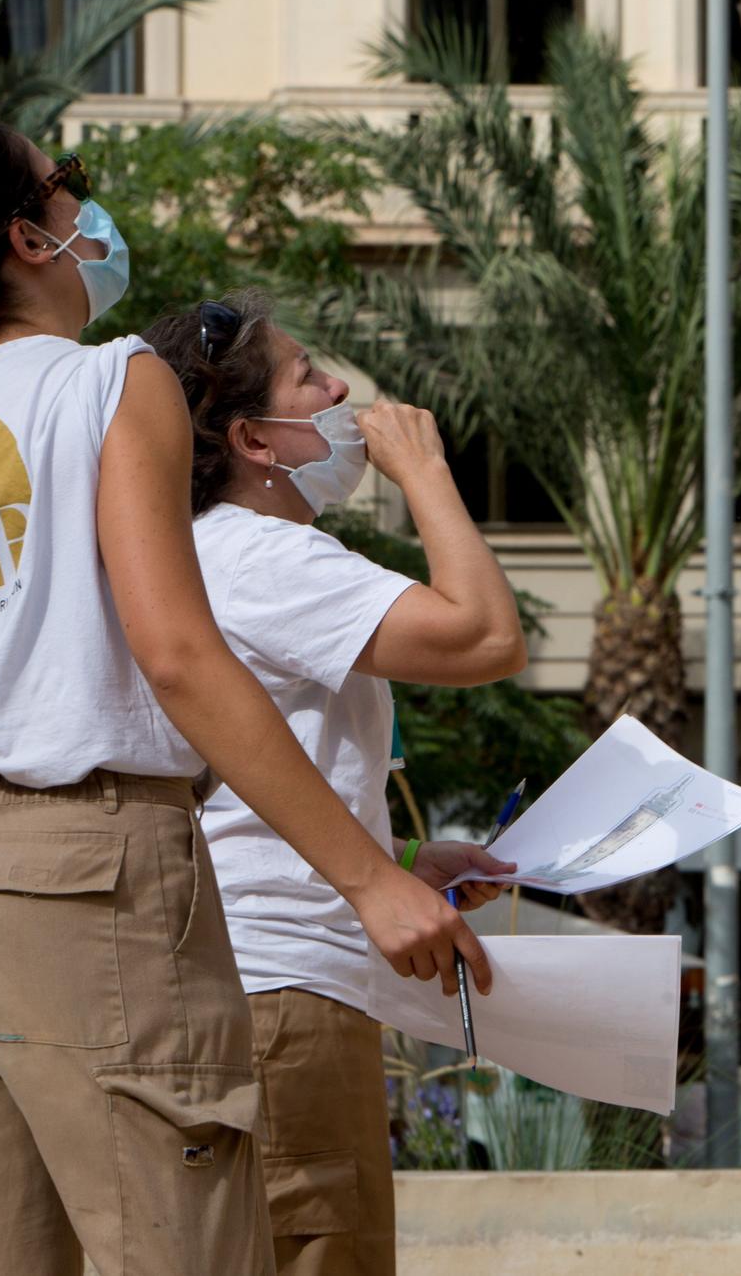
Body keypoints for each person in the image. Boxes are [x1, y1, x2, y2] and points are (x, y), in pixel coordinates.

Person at [0, 120, 489, 1276]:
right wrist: (370, 879)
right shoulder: (112, 379)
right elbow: (175, 650)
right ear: (29, 235)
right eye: (69, 188)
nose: (86, 211)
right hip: (76, 871)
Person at [138, 290, 526, 1275]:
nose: (342, 389)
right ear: (256, 439)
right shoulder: (264, 554)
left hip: (227, 976)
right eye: (309, 374)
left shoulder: (193, 560)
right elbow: (484, 634)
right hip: (285, 989)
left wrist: (404, 863)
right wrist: (426, 471)